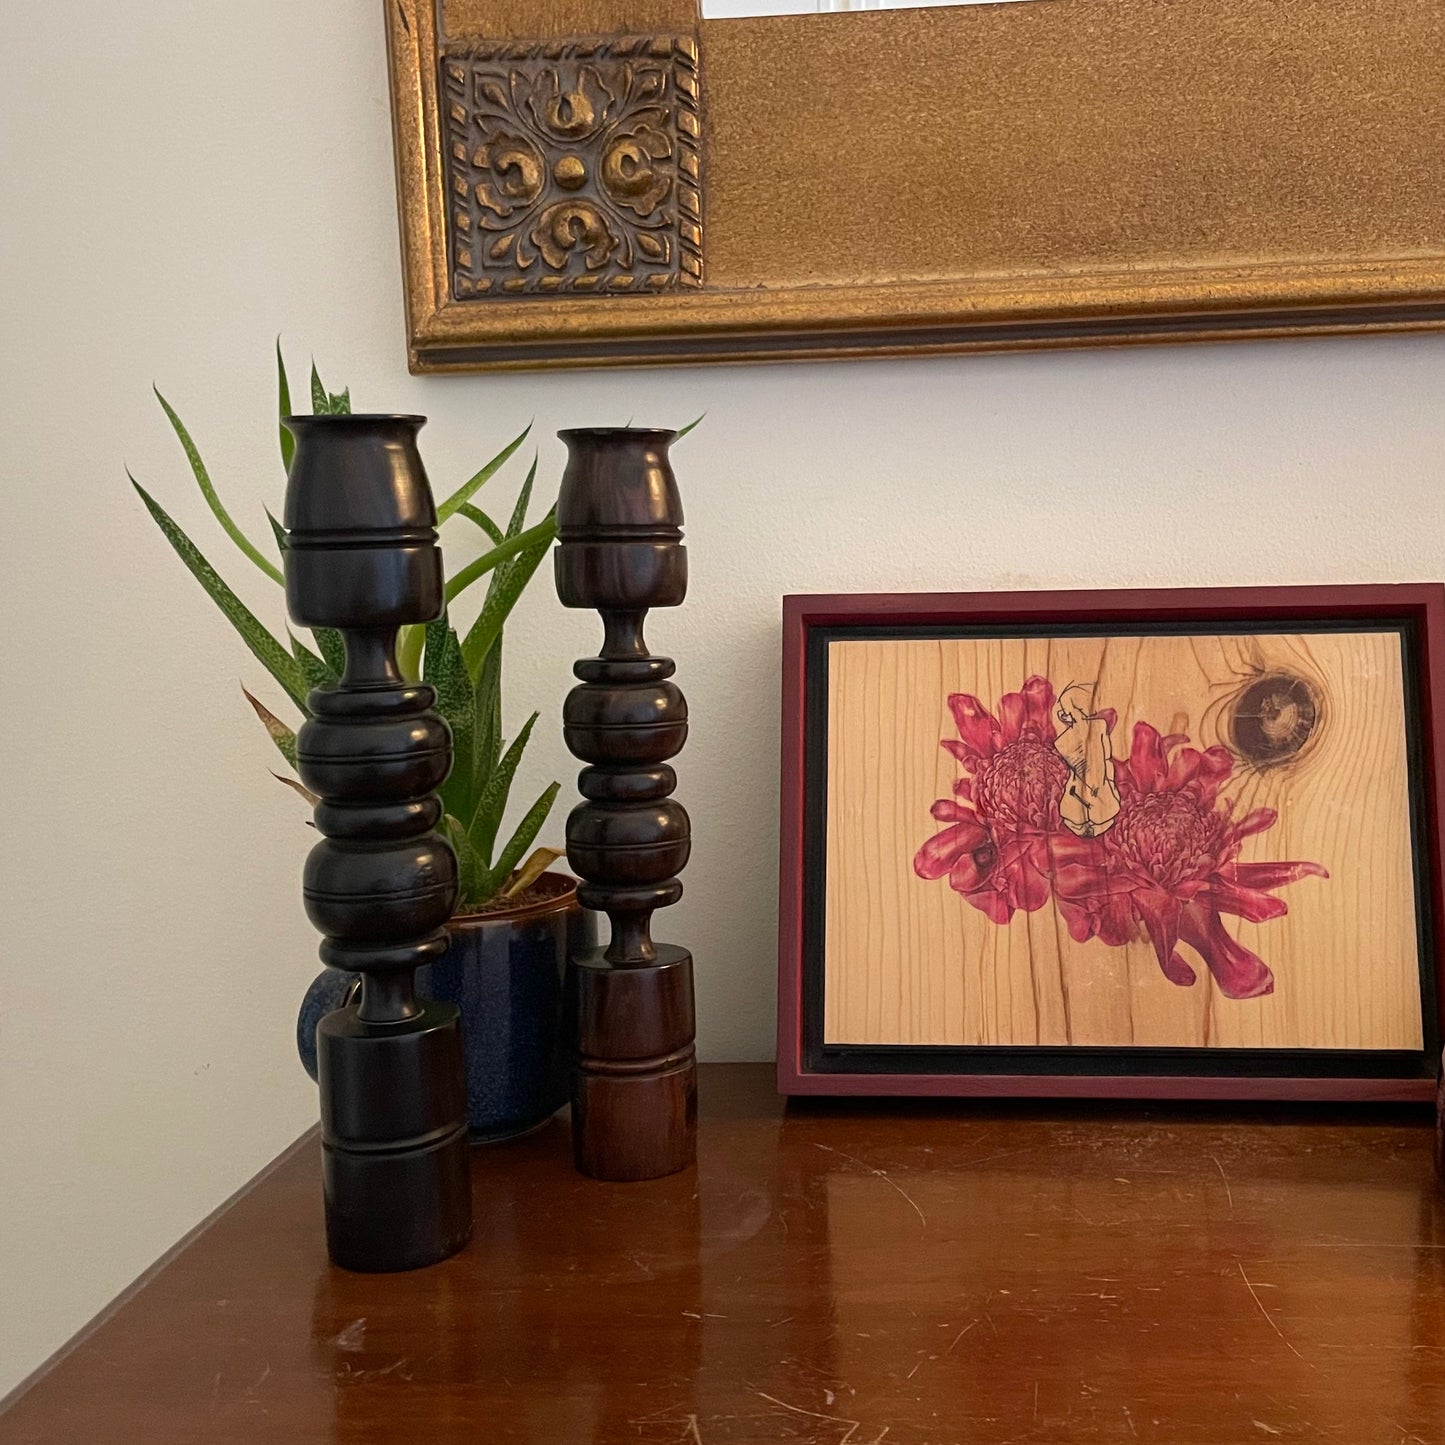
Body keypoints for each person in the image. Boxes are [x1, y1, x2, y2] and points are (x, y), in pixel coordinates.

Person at [1054, 682, 1120, 838]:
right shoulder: (1100, 726)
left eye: (1066, 710)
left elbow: (1106, 758)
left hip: (1084, 785)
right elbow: (1106, 758)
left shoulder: (1064, 739)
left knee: (1087, 820)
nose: (1065, 713)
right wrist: (1109, 782)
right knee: (1086, 819)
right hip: (1095, 784)